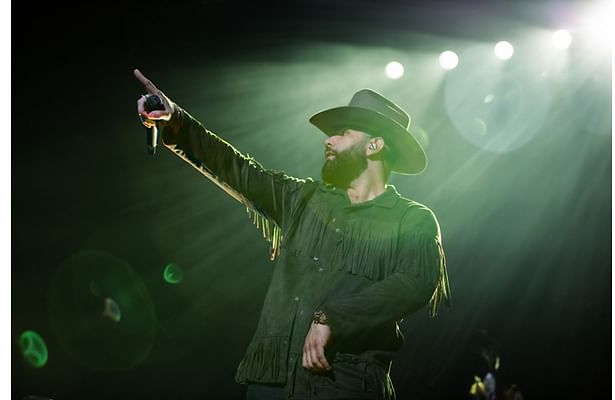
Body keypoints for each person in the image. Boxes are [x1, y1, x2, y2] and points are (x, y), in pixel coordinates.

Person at [134, 69, 451, 400]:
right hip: (271, 384)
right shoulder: (303, 199)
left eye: (343, 132)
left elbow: (416, 281)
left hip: (343, 385)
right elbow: (236, 168)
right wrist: (176, 119)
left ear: (375, 145)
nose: (329, 139)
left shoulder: (412, 219)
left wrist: (333, 317)